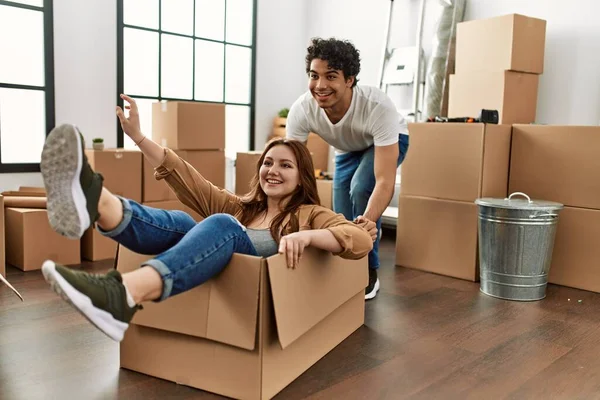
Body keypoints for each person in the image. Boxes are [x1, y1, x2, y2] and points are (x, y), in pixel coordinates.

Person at [39, 94, 375, 343]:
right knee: (186, 223)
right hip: (218, 260)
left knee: (222, 226)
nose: (272, 170)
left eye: (285, 165)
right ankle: (96, 202)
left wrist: (306, 236)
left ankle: (125, 293)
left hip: (257, 303)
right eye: (268, 163)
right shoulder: (243, 208)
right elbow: (188, 179)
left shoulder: (308, 215)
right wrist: (139, 137)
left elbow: (359, 241)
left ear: (302, 177)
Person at [286, 37, 410, 300]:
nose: (320, 86)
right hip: (347, 147)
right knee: (340, 213)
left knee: (360, 189)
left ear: (349, 80)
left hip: (388, 140)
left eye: (331, 76)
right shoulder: (302, 110)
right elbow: (290, 166)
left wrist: (368, 222)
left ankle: (369, 271)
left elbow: (384, 181)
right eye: (314, 75)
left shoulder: (377, 107)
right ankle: (345, 267)